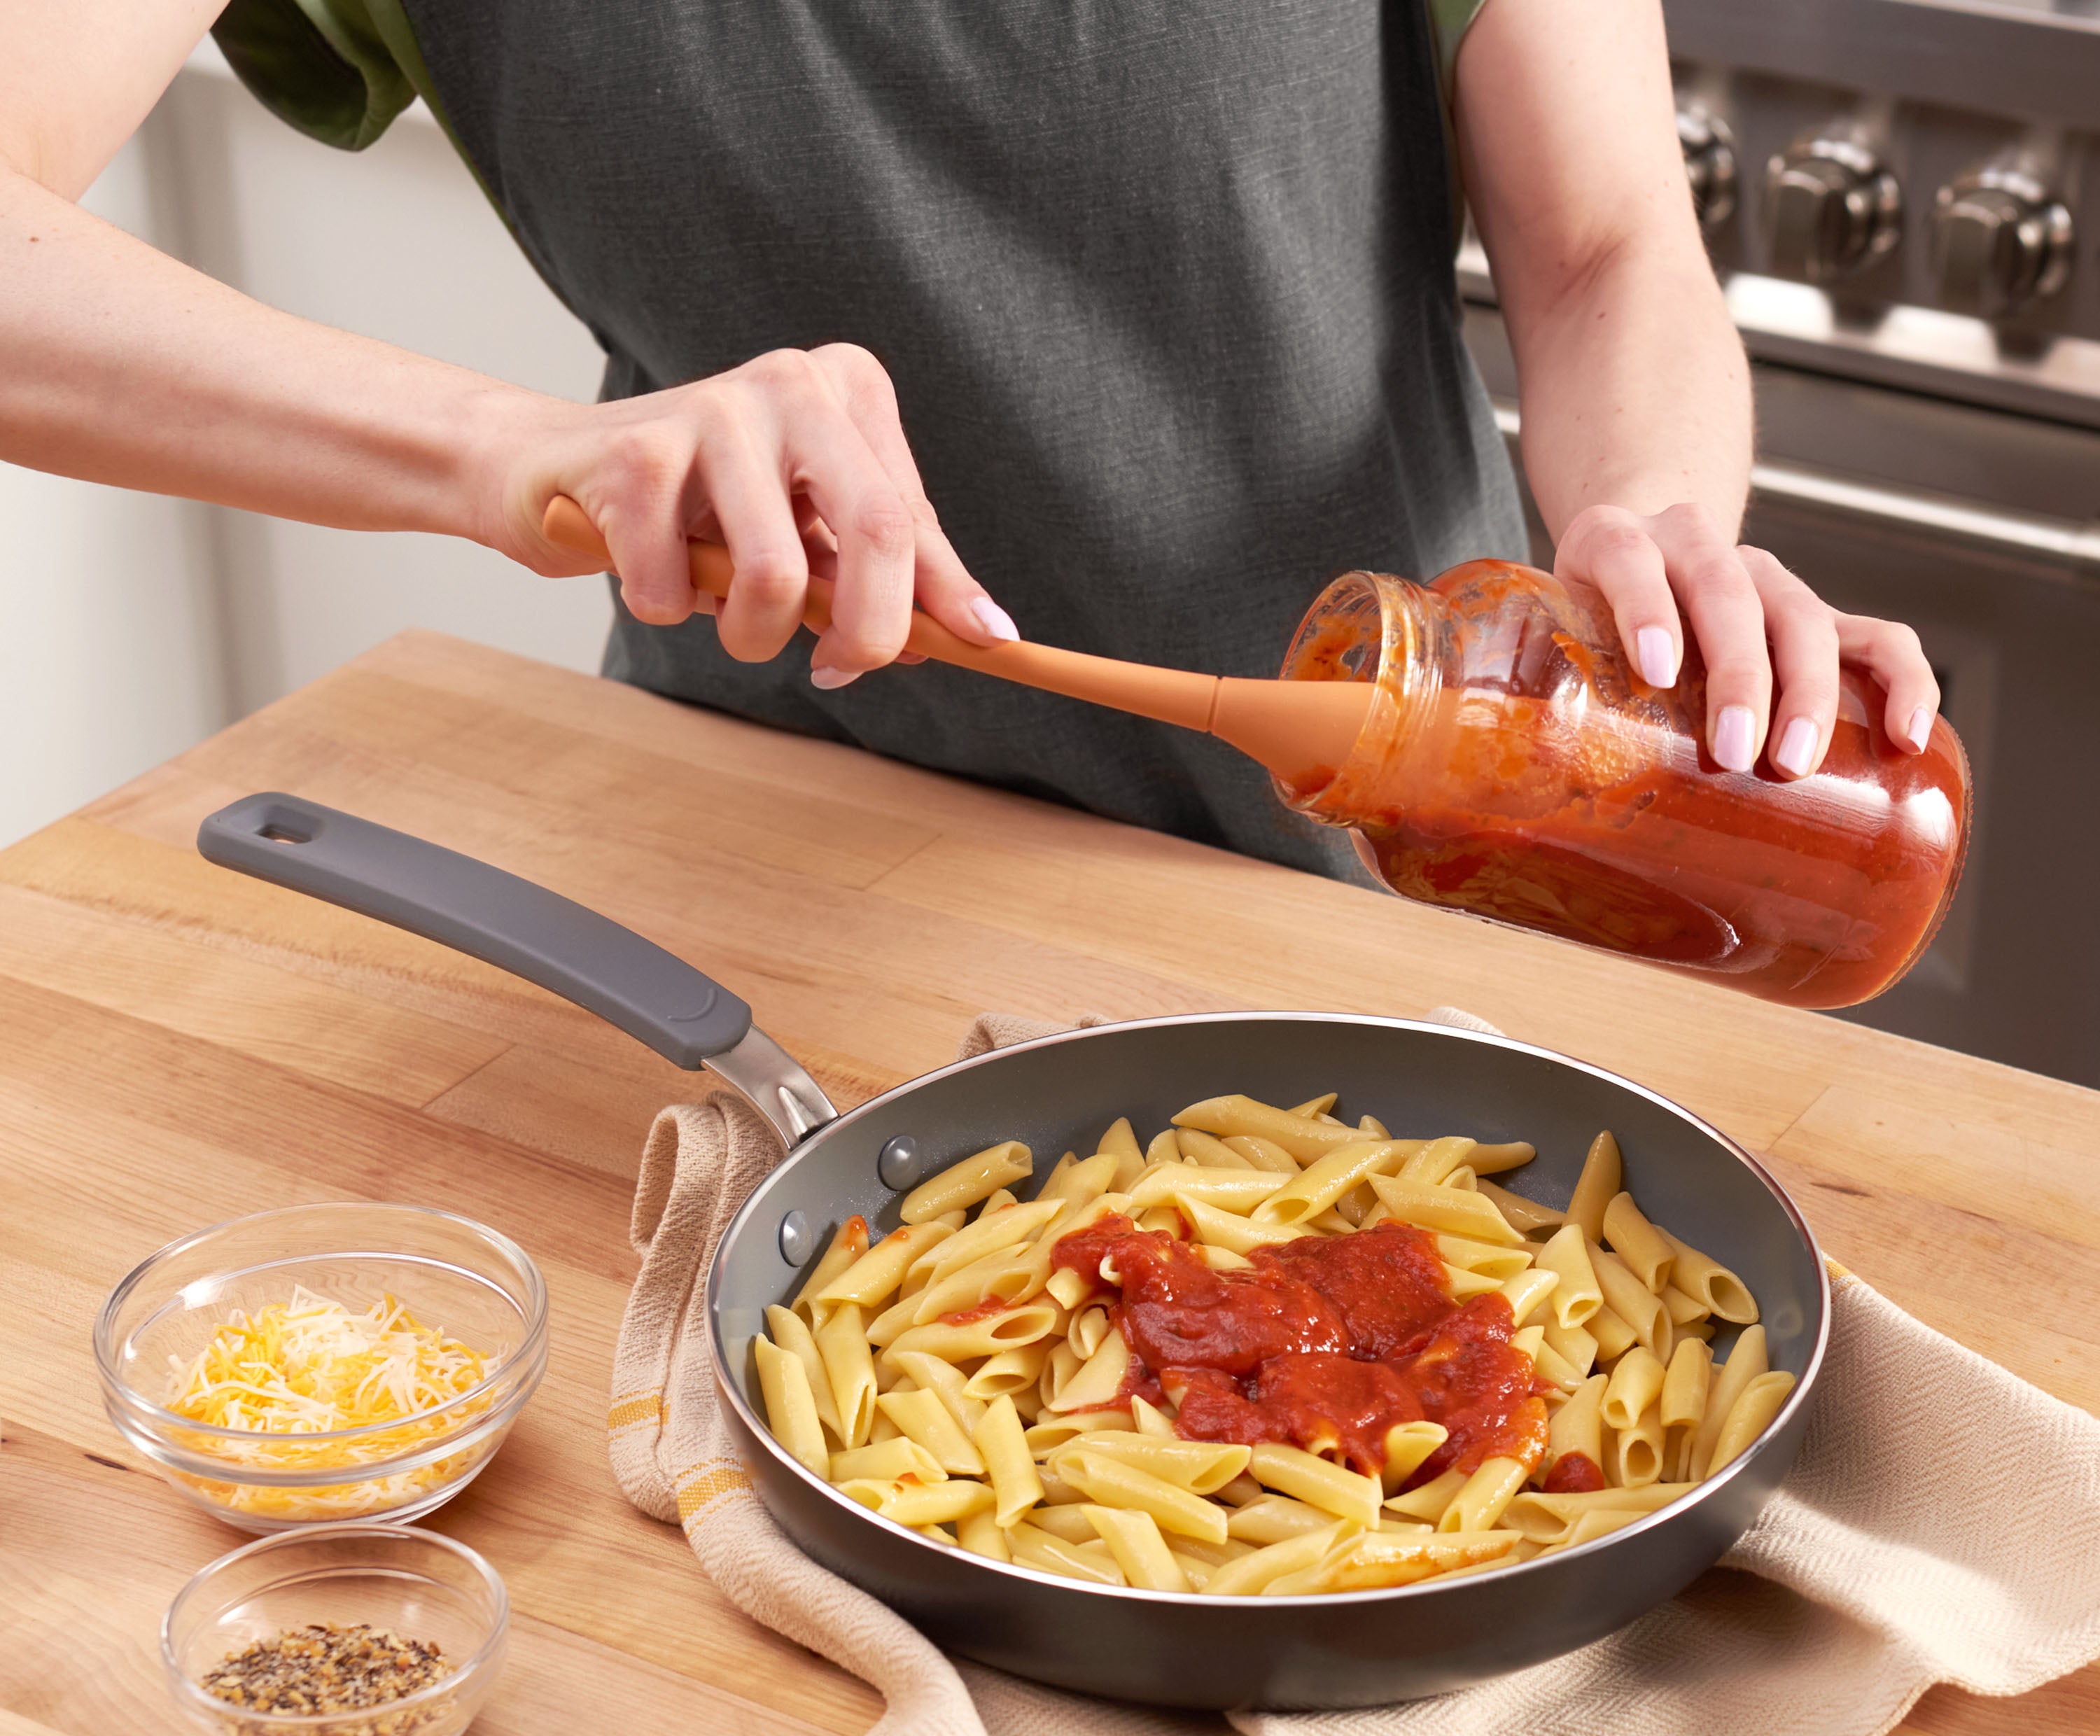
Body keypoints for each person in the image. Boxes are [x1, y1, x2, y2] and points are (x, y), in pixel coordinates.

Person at [1, 0, 1939, 884]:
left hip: (1398, 881)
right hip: (760, 895)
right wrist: (502, 453)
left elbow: (1606, 246)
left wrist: (1655, 528)